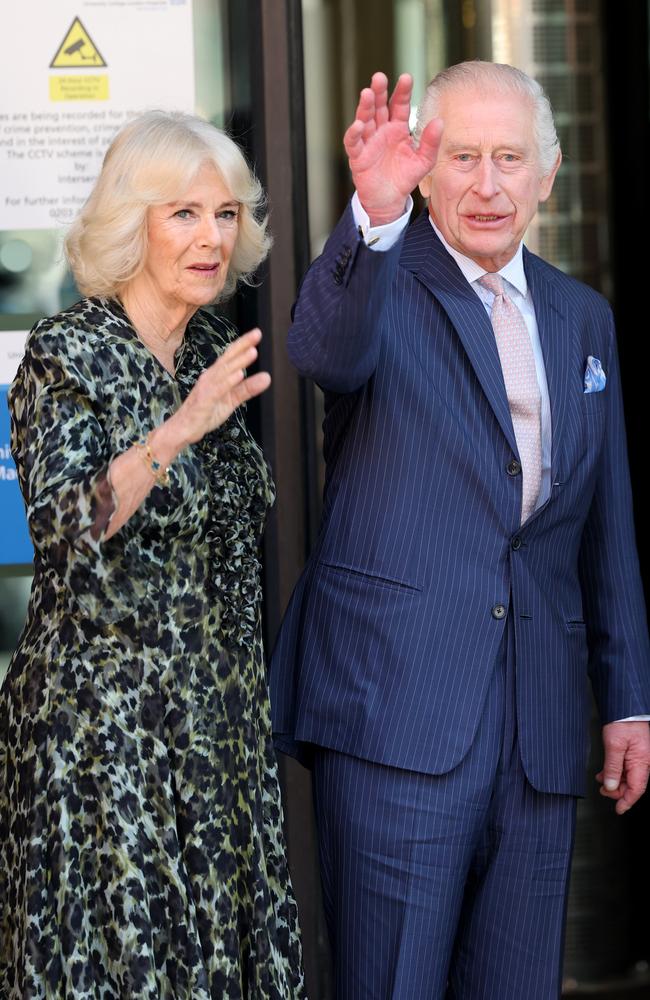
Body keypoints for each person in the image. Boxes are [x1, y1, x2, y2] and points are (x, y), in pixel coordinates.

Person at [270, 62, 650, 998]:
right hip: (397, 712)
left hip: (540, 724)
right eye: (464, 157)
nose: (487, 183)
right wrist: (372, 216)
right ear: (426, 171)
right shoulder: (381, 285)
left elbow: (605, 526)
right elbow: (322, 349)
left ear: (547, 175)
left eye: (510, 158)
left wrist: (628, 697)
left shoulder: (582, 318)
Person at [0, 110, 305, 999]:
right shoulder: (65, 355)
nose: (212, 237)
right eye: (183, 214)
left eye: (223, 214)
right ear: (132, 225)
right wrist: (176, 431)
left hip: (217, 736)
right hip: (105, 746)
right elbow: (66, 527)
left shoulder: (212, 347)